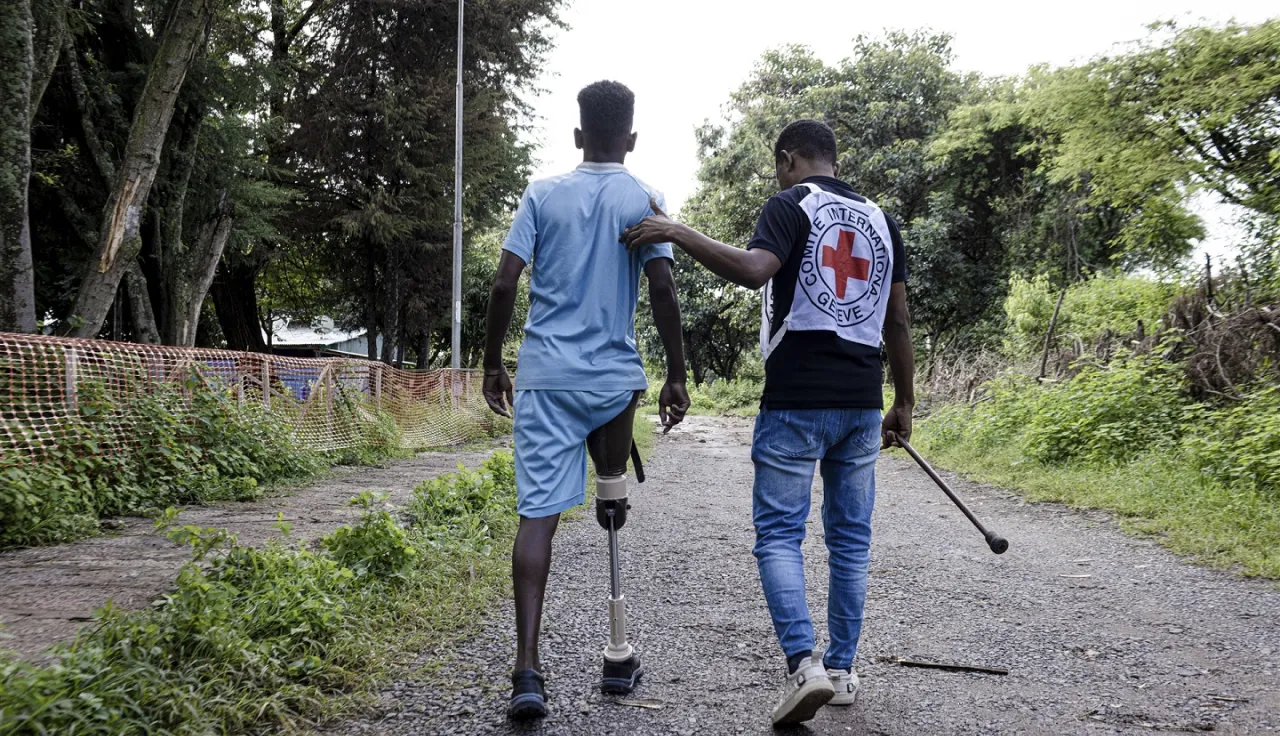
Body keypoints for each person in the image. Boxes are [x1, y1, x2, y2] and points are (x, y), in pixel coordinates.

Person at [621, 119, 915, 727]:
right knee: (850, 539)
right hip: (862, 401)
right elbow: (898, 322)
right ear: (835, 159)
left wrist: (676, 230)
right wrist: (903, 402)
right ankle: (841, 670)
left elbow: (756, 269)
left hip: (795, 400)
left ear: (788, 161)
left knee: (780, 534)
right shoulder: (884, 222)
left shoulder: (791, 204)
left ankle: (803, 664)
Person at [482, 80, 690, 720]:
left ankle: (527, 671)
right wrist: (676, 373)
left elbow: (503, 284)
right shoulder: (644, 199)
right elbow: (661, 290)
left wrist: (493, 363)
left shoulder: (542, 193)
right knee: (610, 500)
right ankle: (617, 654)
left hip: (545, 377)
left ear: (578, 136)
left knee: (536, 518)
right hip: (611, 381)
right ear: (630, 139)